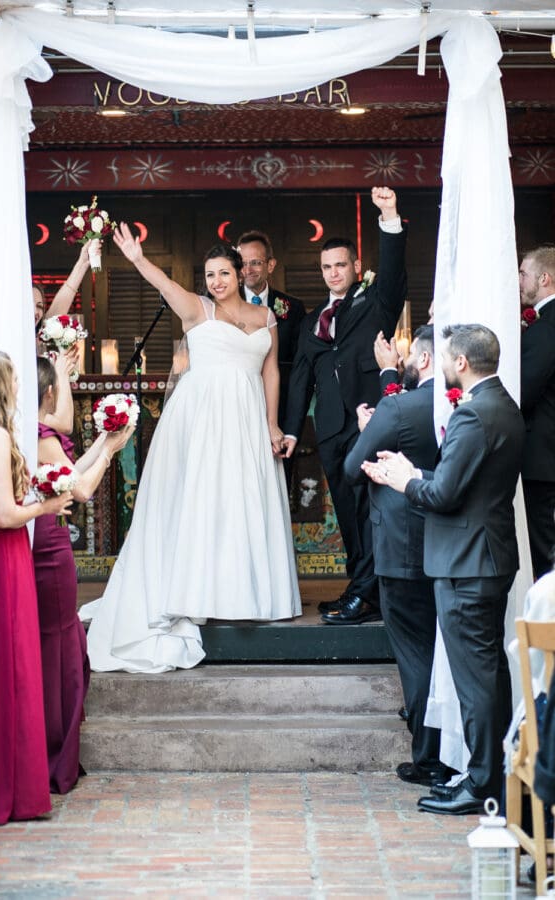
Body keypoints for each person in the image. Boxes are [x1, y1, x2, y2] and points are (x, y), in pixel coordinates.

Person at [82, 225, 301, 674]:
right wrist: (137, 257)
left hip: (247, 418)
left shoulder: (267, 318)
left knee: (242, 503)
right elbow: (163, 283)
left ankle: (245, 593)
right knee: (202, 500)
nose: (216, 281)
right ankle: (197, 591)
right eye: (210, 274)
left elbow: (271, 373)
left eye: (224, 272)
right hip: (201, 419)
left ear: (240, 274)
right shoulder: (197, 310)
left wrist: (272, 424)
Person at [363, 324, 525, 813]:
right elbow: (462, 482)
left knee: (475, 682)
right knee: (490, 675)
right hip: (488, 556)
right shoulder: (503, 406)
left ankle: (480, 786)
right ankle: (491, 776)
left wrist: (403, 482)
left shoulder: (473, 415)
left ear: (460, 363)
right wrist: (415, 472)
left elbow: (443, 495)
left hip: (465, 565)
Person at [0, 352, 72, 825]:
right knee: (9, 661)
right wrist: (47, 507)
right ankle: (9, 788)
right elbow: (5, 515)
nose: (20, 387)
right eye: (14, 379)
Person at [283, 186, 407, 623]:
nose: (333, 273)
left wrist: (388, 217)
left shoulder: (375, 302)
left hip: (370, 424)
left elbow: (393, 275)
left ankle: (369, 594)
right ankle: (359, 587)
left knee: (370, 511)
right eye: (326, 267)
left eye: (341, 265)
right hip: (332, 430)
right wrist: (294, 430)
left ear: (356, 267)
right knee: (348, 516)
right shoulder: (314, 320)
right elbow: (300, 377)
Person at [345, 325, 446, 786]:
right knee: (442, 647)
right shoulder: (459, 406)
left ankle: (428, 756)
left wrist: (369, 430)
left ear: (424, 360)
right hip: (449, 545)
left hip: (401, 547)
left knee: (414, 652)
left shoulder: (399, 407)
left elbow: (352, 467)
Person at [34, 355, 134, 793]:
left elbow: (71, 472)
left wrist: (104, 439)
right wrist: (111, 450)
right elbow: (82, 489)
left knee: (62, 644)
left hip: (43, 540)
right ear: (51, 394)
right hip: (48, 547)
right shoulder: (39, 438)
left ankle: (57, 748)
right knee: (60, 651)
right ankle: (56, 753)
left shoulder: (37, 432)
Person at [236, 230, 306, 431]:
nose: (248, 269)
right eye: (243, 263)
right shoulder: (224, 307)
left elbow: (298, 364)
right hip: (237, 403)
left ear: (271, 265)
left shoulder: (293, 308)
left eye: (256, 262)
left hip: (281, 405)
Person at [519, 245, 555, 579]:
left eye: (523, 273)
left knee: (545, 552)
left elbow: (525, 392)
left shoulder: (545, 330)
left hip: (543, 458)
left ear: (543, 279)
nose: (519, 281)